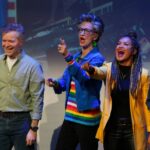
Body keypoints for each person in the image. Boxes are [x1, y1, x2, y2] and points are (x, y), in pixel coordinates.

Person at [46, 13, 105, 150]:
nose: (81, 33)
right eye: (80, 30)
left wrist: (67, 55)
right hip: (71, 116)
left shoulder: (97, 58)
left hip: (87, 119)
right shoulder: (77, 57)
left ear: (95, 36)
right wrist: (56, 83)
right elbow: (64, 81)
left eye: (86, 30)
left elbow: (83, 77)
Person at [84, 32, 150, 150]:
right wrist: (91, 69)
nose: (120, 46)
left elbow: (146, 105)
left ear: (134, 51)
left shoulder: (143, 75)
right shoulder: (110, 69)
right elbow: (100, 72)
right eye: (118, 44)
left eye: (125, 44)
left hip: (133, 130)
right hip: (112, 128)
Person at [0, 23, 44, 150]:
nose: (6, 45)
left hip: (22, 122)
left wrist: (34, 129)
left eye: (11, 41)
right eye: (4, 40)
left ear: (20, 42)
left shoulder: (33, 65)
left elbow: (37, 98)